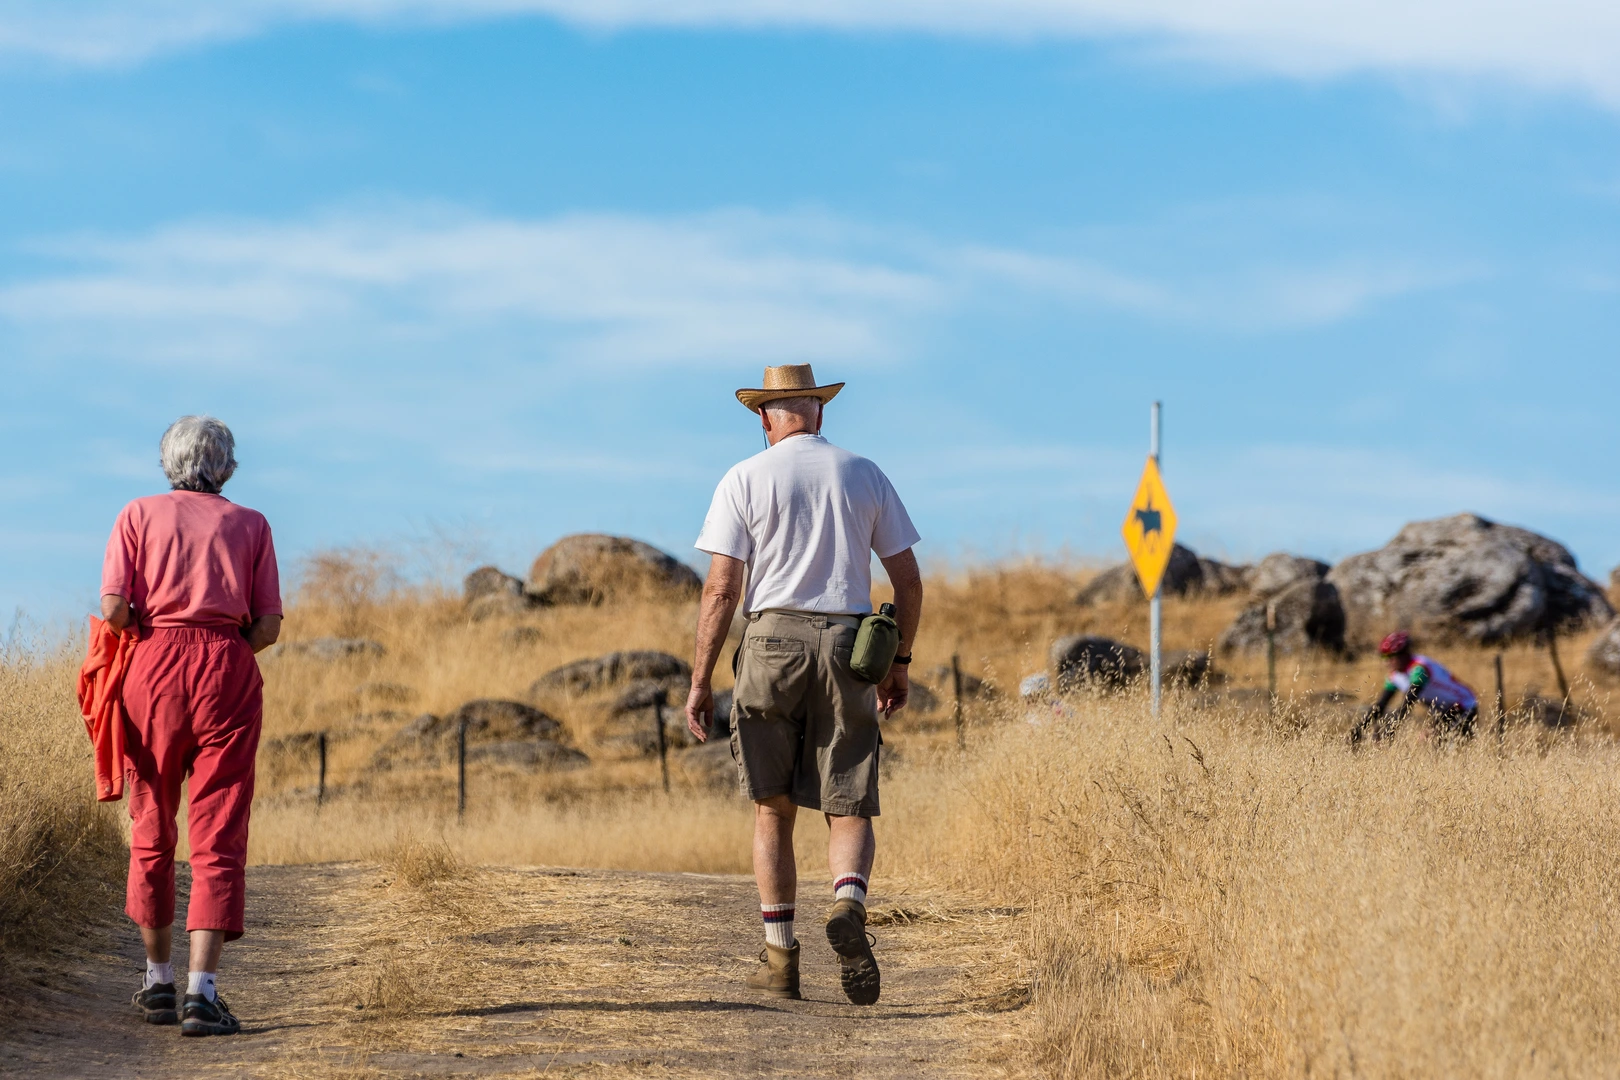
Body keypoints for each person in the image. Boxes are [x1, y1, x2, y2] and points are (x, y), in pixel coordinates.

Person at [685, 364, 923, 1006]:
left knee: (773, 808)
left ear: (765, 417)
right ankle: (848, 902)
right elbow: (907, 580)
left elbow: (722, 589)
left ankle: (781, 960)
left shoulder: (743, 477)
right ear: (819, 411)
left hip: (771, 644)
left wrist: (700, 679)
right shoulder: (863, 473)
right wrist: (899, 661)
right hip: (849, 646)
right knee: (849, 801)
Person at [101, 416, 282, 1037]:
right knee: (220, 829)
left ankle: (158, 983)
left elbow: (114, 608)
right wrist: (224, 652)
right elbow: (267, 626)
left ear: (167, 463)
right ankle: (202, 995)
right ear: (226, 466)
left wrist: (150, 641)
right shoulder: (252, 524)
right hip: (226, 668)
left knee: (152, 823)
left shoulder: (136, 514)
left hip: (151, 668)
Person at [1352, 631, 1478, 743]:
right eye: (1384, 657)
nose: (1387, 662)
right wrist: (1359, 728)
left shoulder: (1419, 668)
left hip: (1463, 704)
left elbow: (1409, 701)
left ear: (1403, 655)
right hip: (1443, 708)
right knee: (1429, 741)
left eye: (1390, 657)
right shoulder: (1394, 675)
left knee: (1440, 742)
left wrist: (1392, 728)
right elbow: (1381, 705)